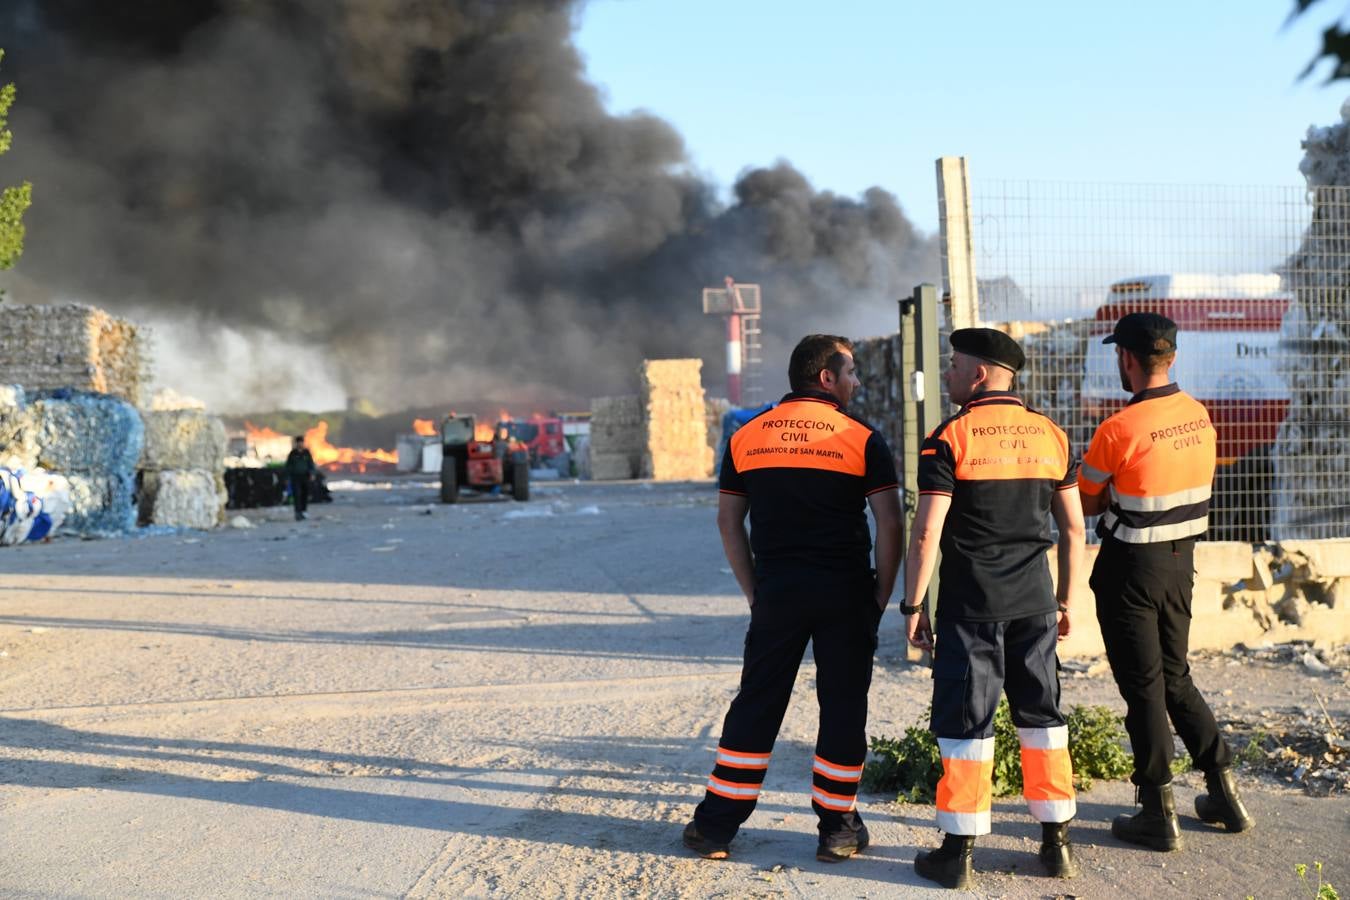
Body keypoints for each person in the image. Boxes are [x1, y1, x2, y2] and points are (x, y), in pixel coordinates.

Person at [682, 334, 902, 863]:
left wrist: (756, 591)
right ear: (826, 377)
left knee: (758, 701)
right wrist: (880, 595)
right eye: (850, 372)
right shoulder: (862, 438)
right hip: (846, 591)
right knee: (843, 706)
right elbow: (891, 522)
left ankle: (715, 827)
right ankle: (838, 828)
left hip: (777, 590)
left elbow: (728, 521)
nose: (856, 382)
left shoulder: (747, 436)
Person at [903, 328, 1084, 890]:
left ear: (979, 374)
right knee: (1043, 720)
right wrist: (1065, 600)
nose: (949, 374)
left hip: (971, 607)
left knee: (967, 725)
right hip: (1035, 606)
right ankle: (1055, 844)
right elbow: (1074, 528)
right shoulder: (1052, 435)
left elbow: (927, 529)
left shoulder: (948, 439)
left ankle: (957, 852)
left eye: (954, 365)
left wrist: (913, 605)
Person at [1079, 312, 1253, 851]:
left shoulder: (1118, 428)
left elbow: (1088, 498)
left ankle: (1156, 810)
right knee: (1175, 675)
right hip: (1182, 562)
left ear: (1126, 359)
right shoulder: (1199, 416)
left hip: (1131, 568)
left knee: (1144, 687)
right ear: (1171, 356)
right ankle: (1223, 791)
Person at [285, 435, 316, 521]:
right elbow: (288, 466)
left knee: (305, 494)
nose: (300, 444)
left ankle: (304, 511)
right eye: (298, 442)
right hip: (295, 477)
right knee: (296, 495)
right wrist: (287, 478)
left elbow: (311, 464)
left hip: (305, 476)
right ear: (296, 443)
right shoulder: (293, 454)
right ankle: (297, 512)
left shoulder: (306, 453)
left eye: (301, 442)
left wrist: (312, 474)